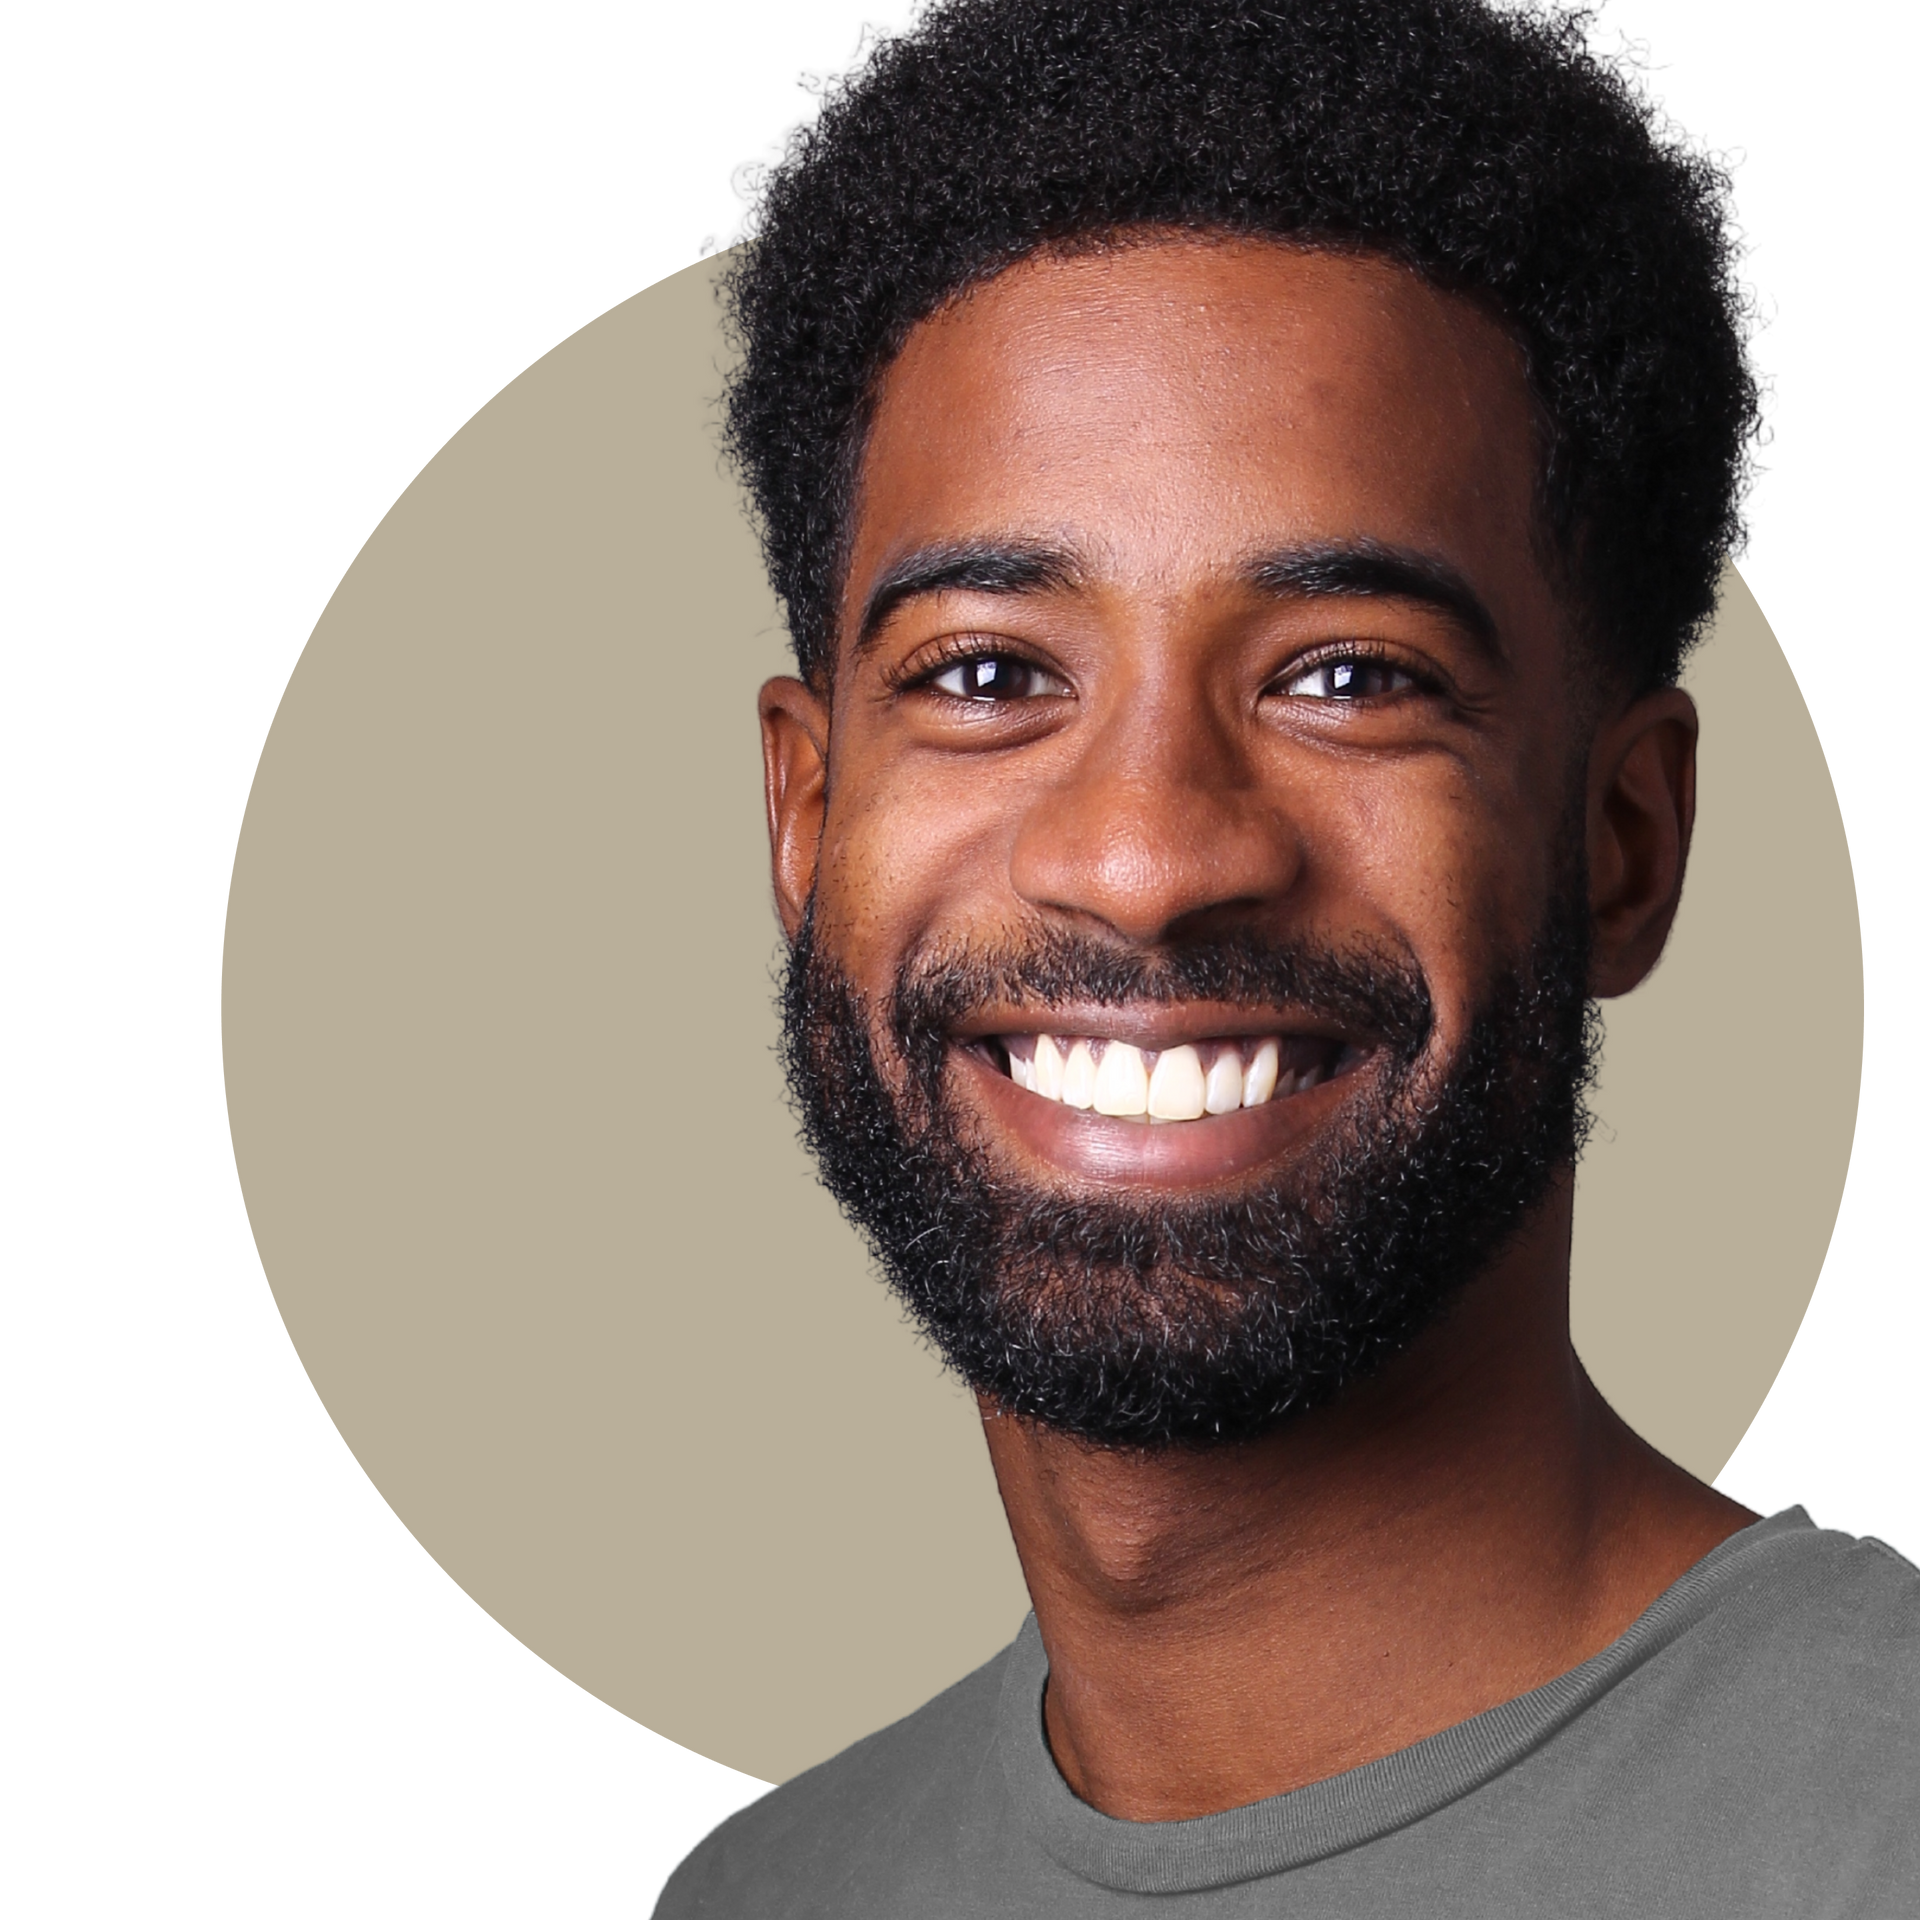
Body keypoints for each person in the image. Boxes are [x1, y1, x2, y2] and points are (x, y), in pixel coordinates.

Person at [651, 1, 1916, 1910]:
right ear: (805, 819)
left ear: (1625, 842)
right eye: (988, 673)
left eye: (1349, 679)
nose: (1149, 859)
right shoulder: (761, 1896)